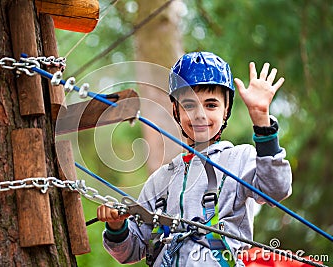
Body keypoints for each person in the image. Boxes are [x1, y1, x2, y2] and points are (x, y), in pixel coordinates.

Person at [97, 51, 292, 266]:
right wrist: (116, 227)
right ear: (176, 110)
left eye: (211, 105)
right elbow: (130, 251)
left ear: (226, 110)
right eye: (189, 105)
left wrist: (261, 120)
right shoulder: (160, 180)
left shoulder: (240, 159)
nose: (199, 115)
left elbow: (276, 190)